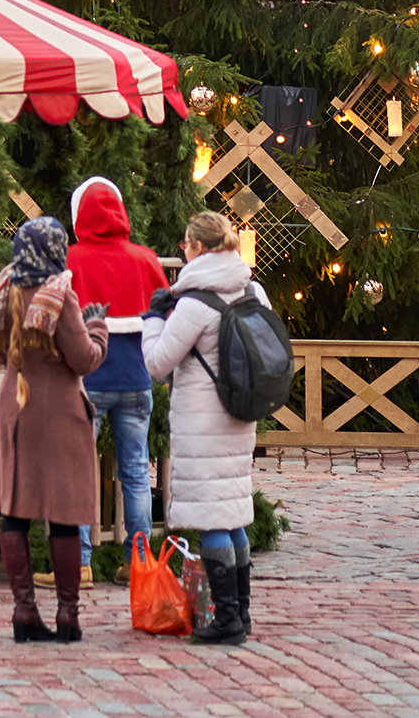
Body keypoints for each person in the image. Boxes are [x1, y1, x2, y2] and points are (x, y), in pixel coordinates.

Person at [143, 209, 272, 648]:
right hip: (240, 412)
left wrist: (153, 319)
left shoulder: (195, 302)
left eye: (185, 244)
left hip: (202, 419)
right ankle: (242, 612)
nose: (183, 251)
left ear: (197, 247)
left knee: (213, 517)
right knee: (231, 511)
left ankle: (227, 620)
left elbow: (158, 363)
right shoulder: (252, 289)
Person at [0, 216, 108, 644]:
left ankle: (24, 612)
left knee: (14, 512)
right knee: (64, 515)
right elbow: (83, 359)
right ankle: (68, 615)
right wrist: (97, 327)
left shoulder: (4, 289)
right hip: (57, 415)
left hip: (16, 411)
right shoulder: (60, 296)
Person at [65, 176, 165, 562]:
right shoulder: (145, 259)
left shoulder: (71, 260)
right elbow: (164, 313)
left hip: (86, 380)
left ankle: (81, 562)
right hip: (136, 376)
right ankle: (138, 562)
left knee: (78, 473)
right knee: (137, 473)